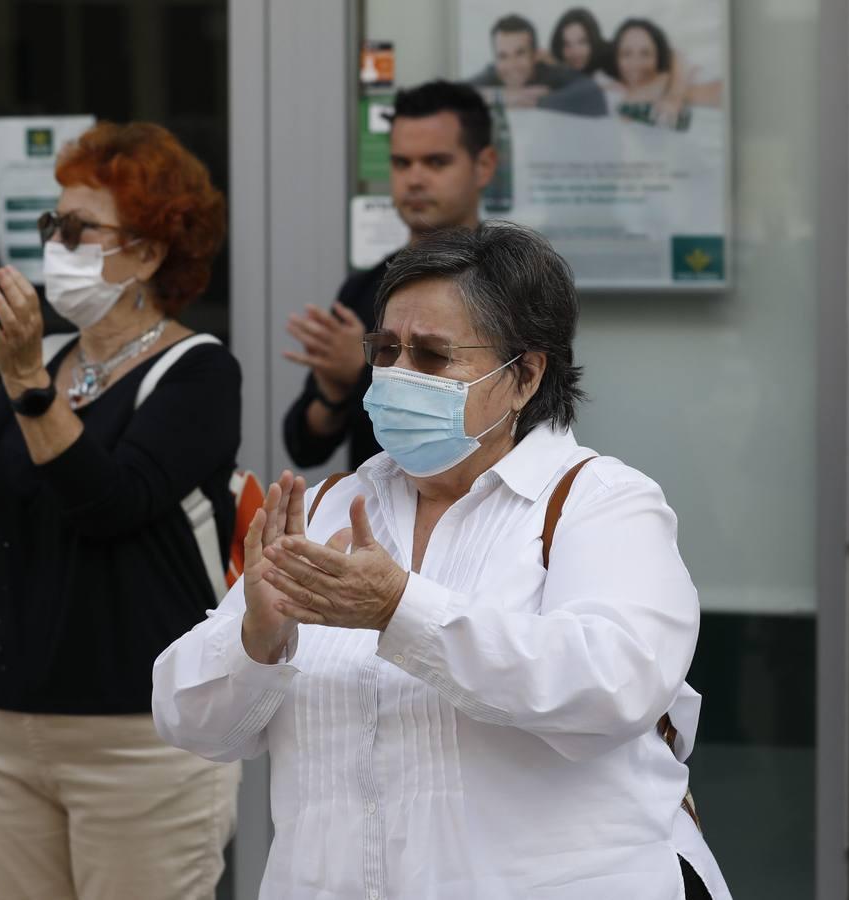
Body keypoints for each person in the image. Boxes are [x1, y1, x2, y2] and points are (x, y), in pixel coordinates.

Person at [154, 223, 732, 900]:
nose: (398, 375)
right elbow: (189, 721)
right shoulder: (324, 510)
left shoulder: (601, 502)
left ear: (525, 375)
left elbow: (613, 685)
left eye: (432, 357)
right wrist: (258, 636)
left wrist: (400, 610)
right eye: (386, 350)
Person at [0, 121, 241, 900]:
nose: (57, 244)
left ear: (147, 250)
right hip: (4, 725)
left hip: (137, 738)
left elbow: (108, 503)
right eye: (51, 224)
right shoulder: (52, 366)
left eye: (80, 228)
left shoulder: (196, 373)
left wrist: (30, 384)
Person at [282, 80, 495, 471]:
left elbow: (522, 414)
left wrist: (361, 371)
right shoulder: (365, 289)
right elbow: (304, 445)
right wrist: (334, 391)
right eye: (401, 163)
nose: (414, 179)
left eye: (436, 162)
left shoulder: (512, 282)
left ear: (483, 166)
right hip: (379, 520)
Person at [469, 14, 608, 117]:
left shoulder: (550, 72)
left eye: (520, 53)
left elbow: (592, 93)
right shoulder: (494, 72)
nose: (512, 65)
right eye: (503, 56)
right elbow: (451, 94)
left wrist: (534, 101)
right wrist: (504, 97)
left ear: (535, 55)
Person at [607, 18, 723, 130]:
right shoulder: (613, 89)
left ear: (659, 56)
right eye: (626, 54)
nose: (635, 63)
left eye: (645, 53)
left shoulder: (673, 78)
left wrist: (674, 94)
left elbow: (674, 56)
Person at [549, 7, 614, 77]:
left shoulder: (614, 61)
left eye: (582, 42)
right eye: (567, 44)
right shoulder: (559, 70)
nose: (575, 52)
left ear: (594, 39)